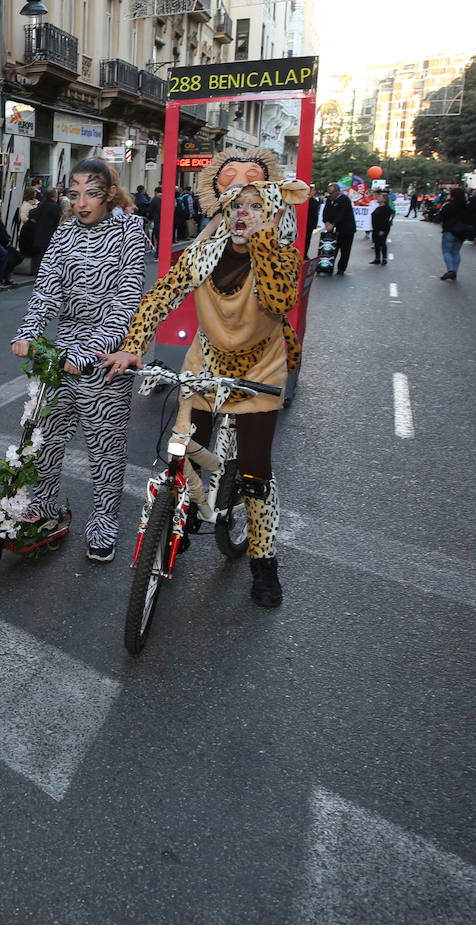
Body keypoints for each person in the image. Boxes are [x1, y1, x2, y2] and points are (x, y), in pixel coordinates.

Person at [101, 177, 310, 608]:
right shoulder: (205, 252)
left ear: (272, 215)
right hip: (208, 362)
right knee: (187, 446)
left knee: (254, 472)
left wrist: (264, 241)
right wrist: (132, 347)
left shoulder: (282, 258)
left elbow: (277, 301)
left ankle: (263, 561)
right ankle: (187, 512)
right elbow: (160, 297)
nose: (242, 213)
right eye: (237, 205)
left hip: (261, 368)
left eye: (255, 207)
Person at [10, 159, 146, 562]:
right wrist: (29, 330)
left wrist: (88, 353)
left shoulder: (129, 231)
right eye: (75, 193)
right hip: (61, 350)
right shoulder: (65, 232)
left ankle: (104, 522)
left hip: (107, 355)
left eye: (92, 193)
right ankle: (46, 506)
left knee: (104, 447)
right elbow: (48, 288)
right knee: (47, 438)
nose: (82, 202)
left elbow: (127, 300)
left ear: (109, 194)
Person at [320, 181, 357, 274]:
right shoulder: (329, 199)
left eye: (332, 193)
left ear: (337, 191)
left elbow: (342, 214)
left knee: (345, 250)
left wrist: (333, 223)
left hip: (346, 229)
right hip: (333, 229)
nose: (330, 195)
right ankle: (328, 266)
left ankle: (341, 268)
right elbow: (326, 211)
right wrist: (326, 222)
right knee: (331, 248)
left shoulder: (344, 200)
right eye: (329, 193)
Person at [437, 186, 469, 281]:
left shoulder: (448, 206)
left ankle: (450, 270)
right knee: (456, 252)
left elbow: (440, 216)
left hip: (449, 230)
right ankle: (455, 270)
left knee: (447, 251)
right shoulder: (466, 207)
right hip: (461, 232)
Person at [369, 192, 392, 266]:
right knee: (376, 243)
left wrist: (382, 230)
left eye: (380, 197)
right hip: (376, 228)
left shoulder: (386, 209)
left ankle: (384, 258)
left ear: (384, 200)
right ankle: (377, 258)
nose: (377, 198)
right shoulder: (378, 207)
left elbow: (386, 220)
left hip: (382, 229)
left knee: (382, 242)